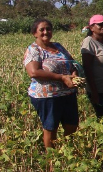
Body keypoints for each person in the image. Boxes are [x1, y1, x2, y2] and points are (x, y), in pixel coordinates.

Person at [24, 18, 80, 148]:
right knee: (51, 127)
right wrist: (62, 78)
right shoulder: (34, 50)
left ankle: (69, 153)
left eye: (48, 29)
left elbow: (72, 63)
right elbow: (34, 72)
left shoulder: (58, 46)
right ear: (35, 33)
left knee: (71, 125)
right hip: (47, 95)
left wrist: (74, 74)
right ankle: (52, 159)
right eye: (41, 30)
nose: (46, 32)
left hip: (67, 93)